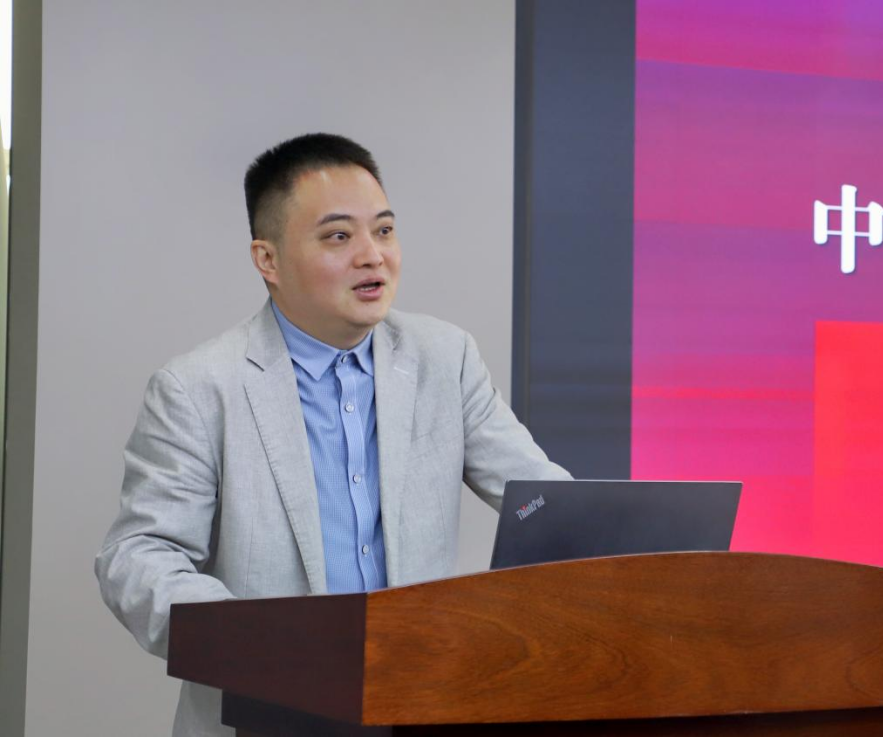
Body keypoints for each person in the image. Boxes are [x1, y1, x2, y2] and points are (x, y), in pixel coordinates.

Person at [95, 133, 571, 737]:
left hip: (416, 705)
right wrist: (260, 642)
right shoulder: (198, 388)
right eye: (339, 237)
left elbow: (537, 501)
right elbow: (139, 556)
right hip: (265, 712)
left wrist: (611, 540)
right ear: (267, 260)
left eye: (385, 231)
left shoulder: (444, 358)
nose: (373, 256)